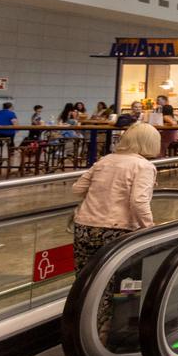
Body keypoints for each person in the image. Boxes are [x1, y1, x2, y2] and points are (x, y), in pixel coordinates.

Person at [71, 122, 161, 340]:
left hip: (85, 226)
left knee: (85, 280)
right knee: (113, 285)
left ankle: (78, 328)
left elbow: (77, 189)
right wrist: (150, 229)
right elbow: (138, 202)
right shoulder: (143, 167)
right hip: (116, 231)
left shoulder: (105, 160)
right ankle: (100, 337)